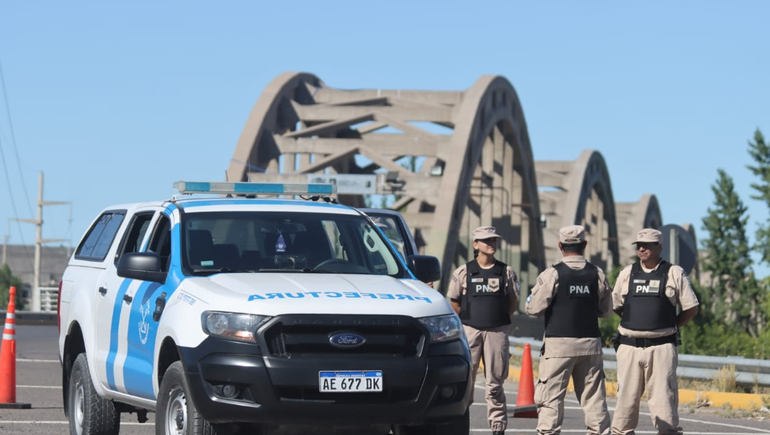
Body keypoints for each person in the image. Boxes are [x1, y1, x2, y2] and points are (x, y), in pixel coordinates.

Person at [611, 228, 699, 435]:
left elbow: (691, 308)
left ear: (659, 246)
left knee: (664, 403)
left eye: (647, 246)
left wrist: (671, 326)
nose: (641, 249)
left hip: (661, 348)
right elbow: (616, 305)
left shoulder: (674, 272)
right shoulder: (627, 273)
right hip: (629, 347)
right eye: (639, 245)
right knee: (625, 404)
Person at [526, 225, 612, 435]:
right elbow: (606, 311)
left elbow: (533, 308)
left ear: (560, 245)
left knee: (551, 397)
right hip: (590, 344)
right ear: (584, 245)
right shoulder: (597, 273)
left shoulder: (552, 274)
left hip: (558, 345)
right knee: (594, 399)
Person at [446, 226, 519, 435]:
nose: (491, 244)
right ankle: (459, 426)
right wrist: (468, 321)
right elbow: (454, 301)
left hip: (497, 331)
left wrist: (498, 320)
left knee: (495, 383)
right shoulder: (463, 271)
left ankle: (497, 427)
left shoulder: (506, 271)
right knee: (466, 381)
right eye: (487, 240)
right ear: (475, 244)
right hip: (470, 330)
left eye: (494, 240)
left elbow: (512, 301)